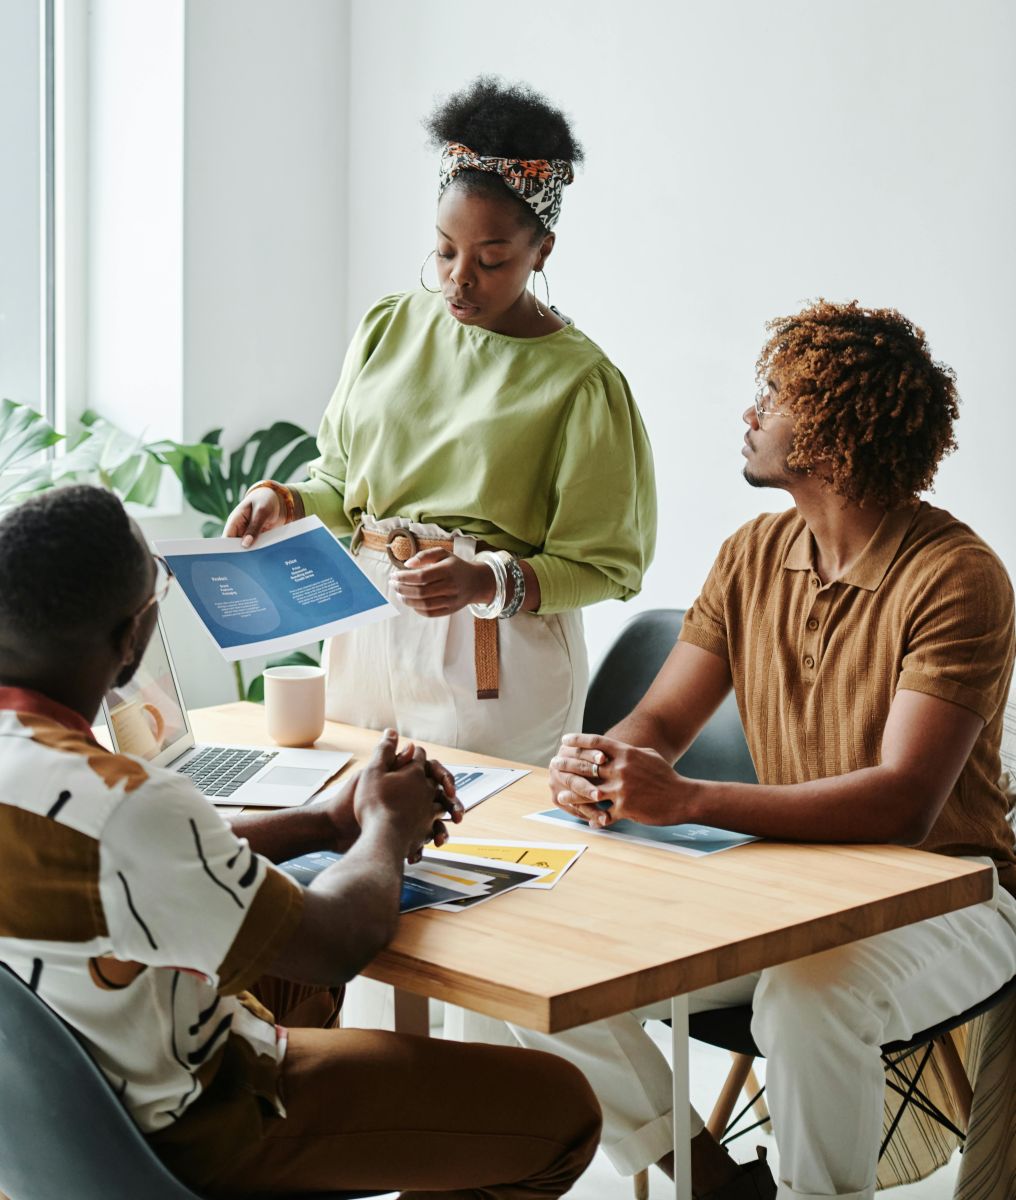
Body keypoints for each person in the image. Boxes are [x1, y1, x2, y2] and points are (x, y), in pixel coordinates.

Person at [462, 300, 1016, 1200]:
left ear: (833, 432)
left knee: (809, 997)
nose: (750, 414)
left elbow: (902, 803)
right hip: (786, 889)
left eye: (773, 395)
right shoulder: (753, 553)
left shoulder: (956, 578)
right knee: (536, 963)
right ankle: (708, 1178)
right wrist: (608, 760)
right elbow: (663, 722)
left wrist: (684, 800)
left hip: (951, 894)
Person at [0, 484, 601, 1198]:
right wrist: (385, 827)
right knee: (561, 1111)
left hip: (46, 1121)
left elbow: (152, 861)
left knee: (295, 973)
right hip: (193, 1124)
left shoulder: (79, 791)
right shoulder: (129, 804)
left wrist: (323, 820)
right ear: (132, 638)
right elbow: (334, 943)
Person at [224, 76, 656, 769]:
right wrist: (285, 500)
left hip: (495, 655)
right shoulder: (389, 327)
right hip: (364, 625)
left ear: (541, 249)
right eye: (445, 249)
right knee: (351, 828)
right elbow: (342, 484)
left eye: (491, 260)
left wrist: (484, 582)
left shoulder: (581, 382)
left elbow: (605, 566)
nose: (459, 278)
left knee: (490, 855)